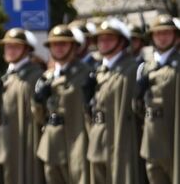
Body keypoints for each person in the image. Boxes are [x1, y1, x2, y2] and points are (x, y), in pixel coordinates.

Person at [32, 24, 93, 184]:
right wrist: (38, 100)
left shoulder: (85, 72)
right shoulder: (46, 76)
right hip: (51, 143)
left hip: (76, 142)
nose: (58, 48)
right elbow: (39, 117)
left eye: (63, 43)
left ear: (73, 47)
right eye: (54, 44)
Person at [86, 18, 139, 184]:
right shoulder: (99, 71)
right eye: (100, 39)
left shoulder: (131, 69)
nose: (104, 42)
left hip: (120, 137)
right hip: (98, 138)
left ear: (122, 42)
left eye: (110, 38)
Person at [0, 28, 43, 184]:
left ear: (27, 50)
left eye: (16, 46)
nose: (10, 50)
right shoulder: (6, 77)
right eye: (8, 46)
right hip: (8, 139)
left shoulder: (35, 75)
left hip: (27, 140)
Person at [136, 14, 179, 184]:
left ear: (175, 36)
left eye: (166, 33)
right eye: (158, 33)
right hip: (151, 141)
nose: (162, 37)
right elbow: (139, 109)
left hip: (173, 140)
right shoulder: (145, 68)